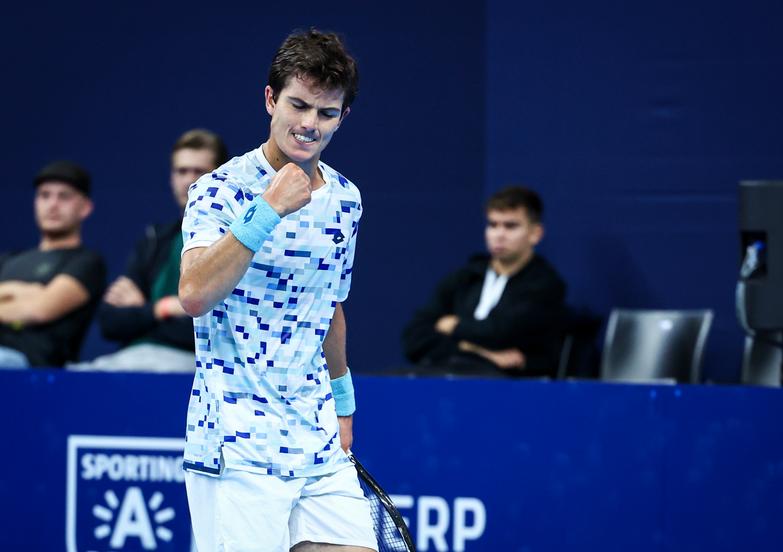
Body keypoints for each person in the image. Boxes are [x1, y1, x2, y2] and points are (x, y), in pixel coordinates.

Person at [178, 30, 377, 551]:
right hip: (235, 441)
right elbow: (195, 293)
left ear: (343, 117)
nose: (310, 125)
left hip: (316, 438)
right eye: (299, 105)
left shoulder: (347, 199)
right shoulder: (218, 189)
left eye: (327, 113)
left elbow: (329, 306)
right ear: (271, 99)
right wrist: (267, 209)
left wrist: (344, 403)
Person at [69, 129, 228, 372]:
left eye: (199, 171)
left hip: (192, 365)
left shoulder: (232, 240)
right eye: (181, 171)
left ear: (220, 176)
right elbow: (110, 321)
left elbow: (214, 329)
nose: (189, 180)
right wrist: (163, 308)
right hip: (135, 356)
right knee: (74, 377)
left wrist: (142, 310)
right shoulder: (154, 238)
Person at [402, 186, 567, 376]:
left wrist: (454, 325)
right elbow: (414, 337)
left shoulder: (545, 285)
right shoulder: (466, 277)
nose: (499, 234)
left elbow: (501, 332)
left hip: (504, 388)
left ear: (535, 233)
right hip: (445, 373)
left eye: (510, 226)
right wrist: (479, 352)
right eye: (493, 225)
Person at [0, 161, 106, 368]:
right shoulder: (8, 259)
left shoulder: (87, 262)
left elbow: (40, 310)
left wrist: (11, 294)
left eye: (64, 196)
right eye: (44, 195)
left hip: (32, 365)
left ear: (85, 208)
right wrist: (31, 292)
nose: (52, 204)